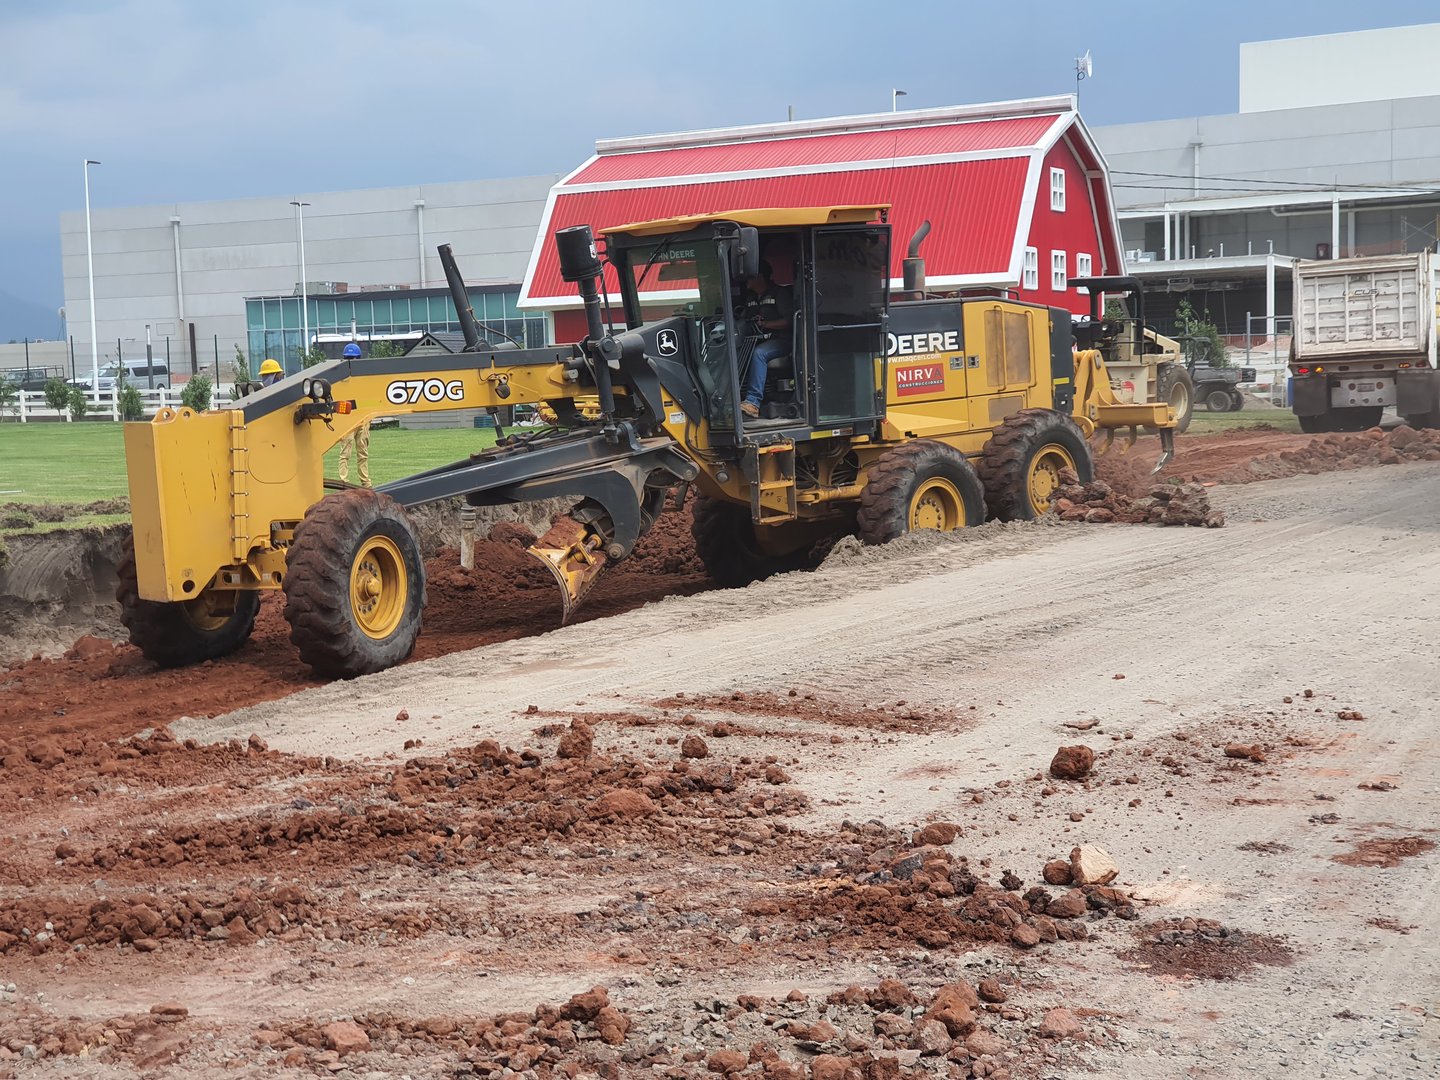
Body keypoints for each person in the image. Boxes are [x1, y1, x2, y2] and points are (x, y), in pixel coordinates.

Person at [739, 260, 793, 418]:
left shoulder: (780, 294)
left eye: (749, 276)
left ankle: (753, 403)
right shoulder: (750, 298)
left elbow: (789, 321)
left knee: (759, 354)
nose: (746, 280)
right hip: (757, 340)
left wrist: (767, 324)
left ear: (760, 276)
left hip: (781, 341)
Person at [336, 342, 371, 487]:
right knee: (345, 453)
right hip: (348, 419)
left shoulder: (364, 378)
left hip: (362, 418)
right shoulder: (340, 378)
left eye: (353, 358)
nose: (351, 361)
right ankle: (344, 482)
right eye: (349, 358)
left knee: (363, 453)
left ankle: (366, 482)